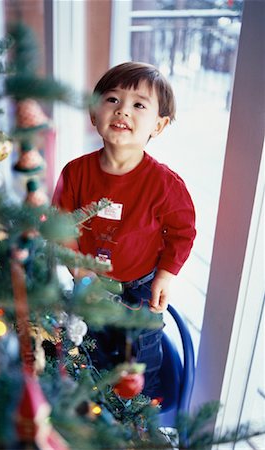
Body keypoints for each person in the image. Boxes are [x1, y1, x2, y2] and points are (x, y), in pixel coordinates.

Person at [52, 61, 196, 399]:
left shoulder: (164, 184)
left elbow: (182, 232)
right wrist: (77, 266)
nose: (123, 111)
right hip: (90, 282)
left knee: (142, 356)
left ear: (158, 126)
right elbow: (62, 223)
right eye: (112, 100)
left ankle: (142, 417)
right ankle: (93, 406)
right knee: (90, 344)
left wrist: (165, 274)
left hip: (141, 285)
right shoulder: (76, 173)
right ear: (93, 114)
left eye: (138, 105)